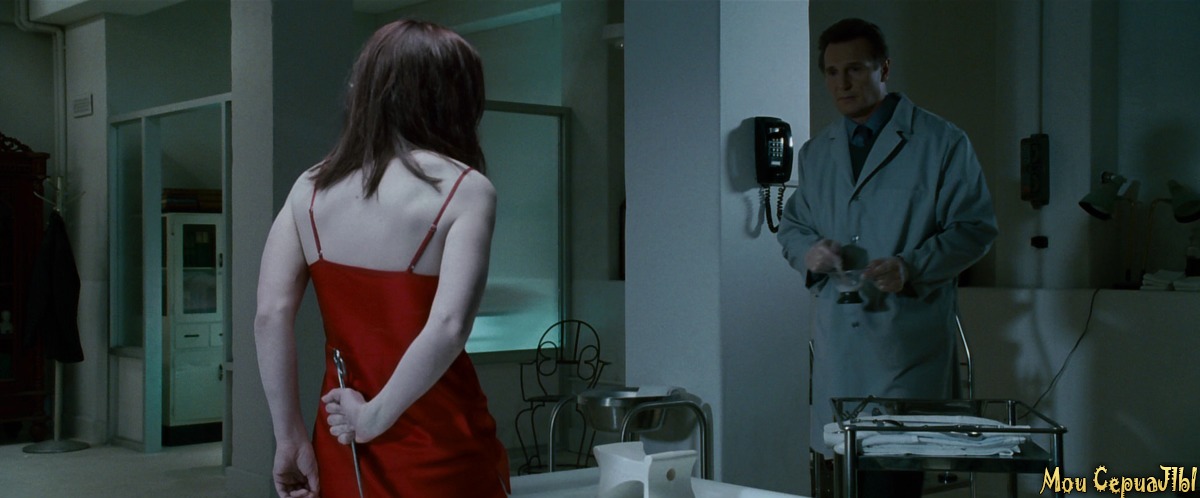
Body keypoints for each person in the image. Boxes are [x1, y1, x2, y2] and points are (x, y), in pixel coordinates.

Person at [254, 19, 509, 498]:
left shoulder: (309, 188)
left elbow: (270, 314)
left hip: (341, 437)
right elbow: (449, 326)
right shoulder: (466, 190)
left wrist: (289, 437)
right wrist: (371, 418)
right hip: (436, 438)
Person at [777, 18, 998, 498]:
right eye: (832, 72)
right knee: (845, 477)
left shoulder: (941, 143)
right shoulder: (817, 154)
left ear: (884, 69)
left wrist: (911, 266)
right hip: (841, 351)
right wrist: (808, 253)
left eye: (855, 69)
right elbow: (793, 225)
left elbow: (974, 227)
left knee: (892, 479)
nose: (843, 84)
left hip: (904, 349)